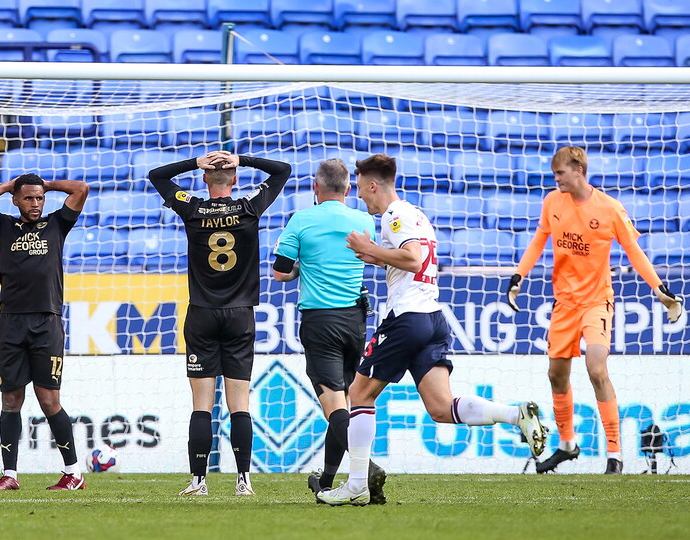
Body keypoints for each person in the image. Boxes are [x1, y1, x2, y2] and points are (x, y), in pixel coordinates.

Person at [315, 155, 548, 506]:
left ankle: (357, 486)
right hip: (432, 318)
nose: (360, 196)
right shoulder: (416, 214)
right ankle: (517, 415)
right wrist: (376, 257)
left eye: (361, 189)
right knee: (440, 407)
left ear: (374, 185)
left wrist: (370, 248)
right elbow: (413, 259)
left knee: (359, 395)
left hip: (406, 318)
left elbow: (413, 258)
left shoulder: (395, 216)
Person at [505, 146, 683, 475]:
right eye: (554, 173)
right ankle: (567, 445)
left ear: (578, 170)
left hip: (597, 301)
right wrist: (518, 276)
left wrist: (659, 289)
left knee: (596, 368)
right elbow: (537, 242)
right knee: (556, 375)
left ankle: (615, 455)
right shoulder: (551, 202)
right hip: (564, 303)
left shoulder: (610, 209)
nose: (555, 178)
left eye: (560, 173)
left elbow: (634, 252)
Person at [149, 150, 291, 497]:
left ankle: (198, 481)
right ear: (236, 180)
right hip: (240, 313)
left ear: (203, 180)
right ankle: (244, 480)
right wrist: (241, 158)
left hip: (202, 313)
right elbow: (283, 170)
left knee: (202, 403)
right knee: (239, 401)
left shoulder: (192, 208)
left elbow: (157, 175)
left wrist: (192, 162)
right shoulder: (249, 206)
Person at [271, 158, 385, 502]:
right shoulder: (364, 220)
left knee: (335, 408)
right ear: (349, 189)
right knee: (348, 405)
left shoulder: (302, 219)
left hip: (320, 322)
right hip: (355, 321)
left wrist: (302, 269)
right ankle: (327, 479)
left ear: (315, 188)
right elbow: (372, 259)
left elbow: (280, 272)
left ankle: (366, 471)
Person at [0, 173, 90, 490]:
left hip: (46, 322)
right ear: (16, 200)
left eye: (39, 198)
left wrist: (45, 185)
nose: (35, 204)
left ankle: (74, 473)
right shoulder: (4, 226)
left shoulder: (57, 224)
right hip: (10, 323)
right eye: (28, 198)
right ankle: (10, 475)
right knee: (10, 400)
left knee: (49, 399)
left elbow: (81, 189)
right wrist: (9, 186)